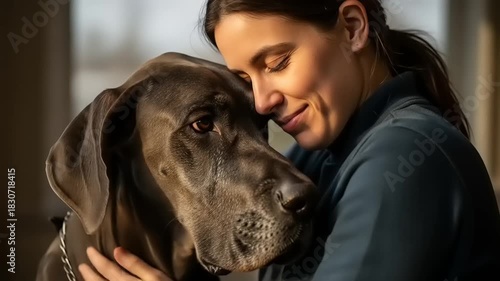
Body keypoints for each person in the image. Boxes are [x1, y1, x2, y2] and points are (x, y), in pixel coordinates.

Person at [78, 0, 500, 280]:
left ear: (352, 28)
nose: (262, 101)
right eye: (246, 79)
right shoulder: (316, 157)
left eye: (277, 62)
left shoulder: (406, 153)